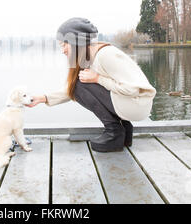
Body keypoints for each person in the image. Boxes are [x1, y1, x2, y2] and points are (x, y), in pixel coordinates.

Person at [26, 17, 157, 152]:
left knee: (79, 84)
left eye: (64, 45)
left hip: (137, 104)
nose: (63, 50)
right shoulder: (89, 56)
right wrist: (42, 98)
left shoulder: (106, 55)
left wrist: (98, 78)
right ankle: (124, 131)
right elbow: (72, 90)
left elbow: (133, 89)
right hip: (131, 103)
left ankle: (114, 132)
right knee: (79, 84)